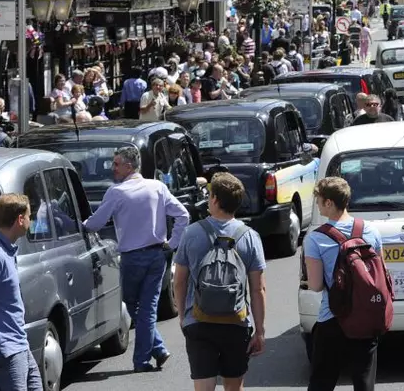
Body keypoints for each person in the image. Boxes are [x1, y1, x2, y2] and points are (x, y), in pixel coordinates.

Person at [83, 147, 191, 372]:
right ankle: (157, 349)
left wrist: (79, 225)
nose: (112, 168)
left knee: (135, 305)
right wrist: (171, 244)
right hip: (156, 255)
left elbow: (95, 224)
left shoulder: (116, 192)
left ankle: (143, 360)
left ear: (129, 166)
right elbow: (183, 215)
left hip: (133, 258)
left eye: (116, 164)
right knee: (147, 308)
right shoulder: (157, 187)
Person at [172, 172, 267, 391]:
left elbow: (179, 281)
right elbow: (258, 288)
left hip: (198, 320)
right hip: (236, 322)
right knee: (234, 386)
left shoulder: (191, 233)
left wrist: (183, 316)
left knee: (203, 385)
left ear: (214, 199)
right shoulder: (250, 236)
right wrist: (260, 330)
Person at [304, 177, 384, 391]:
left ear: (329, 202)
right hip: (366, 315)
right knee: (364, 381)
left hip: (333, 317)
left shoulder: (315, 238)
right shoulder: (371, 230)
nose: (317, 205)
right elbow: (380, 272)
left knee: (322, 381)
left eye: (319, 200)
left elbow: (316, 285)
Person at [0, 193, 41, 391]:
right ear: (20, 219)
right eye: (29, 216)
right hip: (5, 351)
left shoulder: (5, 250)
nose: (30, 220)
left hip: (19, 344)